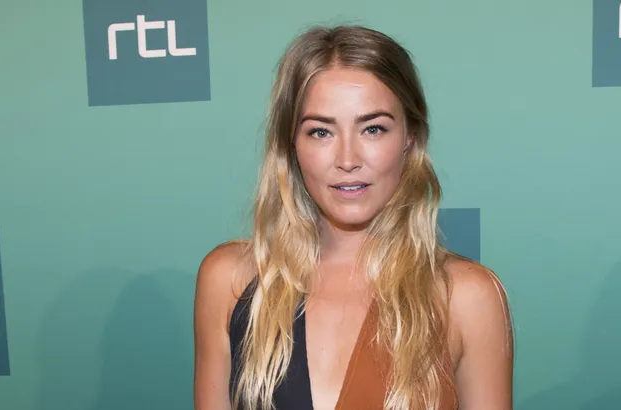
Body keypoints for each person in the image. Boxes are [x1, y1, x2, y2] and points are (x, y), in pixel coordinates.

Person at [193, 24, 514, 410]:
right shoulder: (229, 281)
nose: (348, 160)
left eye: (373, 129)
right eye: (321, 132)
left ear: (409, 137)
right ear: (291, 144)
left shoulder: (465, 297)